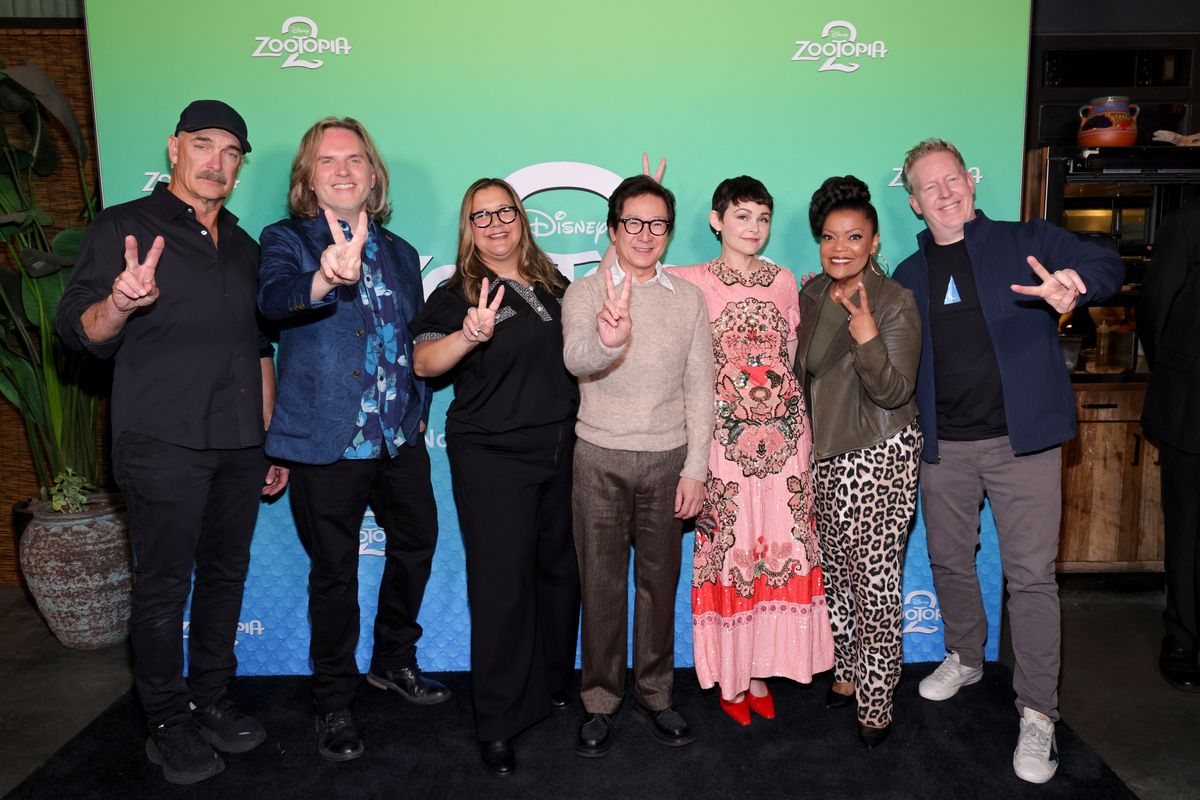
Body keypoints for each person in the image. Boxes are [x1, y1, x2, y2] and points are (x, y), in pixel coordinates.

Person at [55, 100, 288, 785]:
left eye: (231, 151)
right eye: (203, 144)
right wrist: (120, 302)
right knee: (162, 592)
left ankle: (210, 698)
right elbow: (79, 330)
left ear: (241, 167)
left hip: (240, 444)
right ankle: (165, 722)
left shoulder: (246, 247)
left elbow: (258, 348)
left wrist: (269, 441)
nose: (216, 161)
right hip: (162, 443)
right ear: (174, 149)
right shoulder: (125, 226)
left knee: (226, 577)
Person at [893, 138, 1124, 783]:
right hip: (944, 450)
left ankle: (1039, 714)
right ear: (914, 202)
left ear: (971, 180)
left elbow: (1107, 264)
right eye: (929, 186)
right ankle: (966, 655)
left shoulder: (1027, 239)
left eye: (953, 178)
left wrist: (1075, 284)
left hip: (1024, 445)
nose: (945, 192)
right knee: (947, 558)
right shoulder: (907, 276)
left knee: (1030, 577)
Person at [257, 117, 448, 763]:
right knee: (333, 575)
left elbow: (414, 336)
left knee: (418, 541)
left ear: (374, 174)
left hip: (396, 439)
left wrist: (417, 407)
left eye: (356, 159)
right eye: (328, 160)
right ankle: (333, 701)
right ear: (308, 178)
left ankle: (393, 660)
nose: (343, 169)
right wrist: (324, 278)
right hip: (327, 440)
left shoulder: (397, 250)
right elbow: (274, 302)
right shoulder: (285, 239)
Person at [410, 178, 581, 776]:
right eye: (481, 216)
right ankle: (498, 719)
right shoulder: (457, 291)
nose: (495, 224)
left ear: (521, 217)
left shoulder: (555, 283)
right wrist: (468, 334)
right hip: (492, 457)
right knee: (502, 587)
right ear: (468, 227)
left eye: (504, 211)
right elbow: (424, 361)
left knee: (559, 575)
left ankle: (553, 686)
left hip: (561, 449)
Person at [667, 176, 833, 727]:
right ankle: (732, 677)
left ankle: (761, 671)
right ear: (716, 221)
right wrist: (646, 192)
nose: (754, 229)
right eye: (742, 217)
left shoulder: (785, 281)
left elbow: (789, 355)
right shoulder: (689, 280)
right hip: (721, 440)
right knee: (733, 549)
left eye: (762, 218)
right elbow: (623, 275)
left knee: (781, 550)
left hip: (785, 438)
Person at [562, 174, 713, 757]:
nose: (645, 234)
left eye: (657, 224)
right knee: (599, 586)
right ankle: (600, 699)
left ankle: (655, 692)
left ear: (669, 233)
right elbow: (578, 360)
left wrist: (696, 467)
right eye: (632, 223)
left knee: (657, 584)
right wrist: (608, 337)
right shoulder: (584, 293)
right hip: (597, 456)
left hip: (668, 459)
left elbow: (702, 387)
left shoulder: (688, 299)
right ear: (612, 230)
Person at [794, 176, 921, 748]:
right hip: (827, 453)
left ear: (873, 242)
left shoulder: (894, 300)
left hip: (879, 454)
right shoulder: (814, 291)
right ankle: (846, 672)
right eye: (828, 237)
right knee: (840, 578)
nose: (839, 247)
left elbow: (895, 392)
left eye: (853, 237)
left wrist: (867, 337)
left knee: (874, 583)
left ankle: (877, 700)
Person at [1138, 205, 1200, 693]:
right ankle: (1183, 638)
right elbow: (1156, 306)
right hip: (1192, 408)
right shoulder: (1188, 222)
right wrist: (1174, 377)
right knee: (1189, 530)